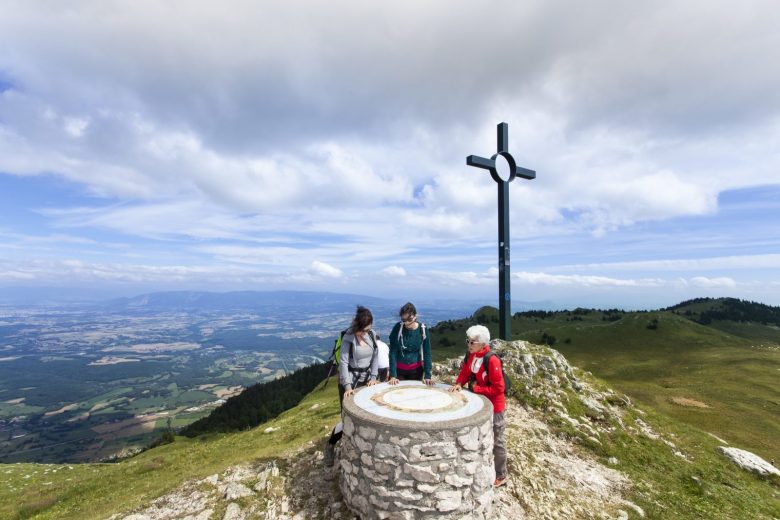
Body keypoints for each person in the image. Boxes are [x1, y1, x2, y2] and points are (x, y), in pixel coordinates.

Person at [448, 324, 508, 487]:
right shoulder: (471, 356)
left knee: (497, 440)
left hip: (495, 406)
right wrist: (459, 383)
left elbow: (499, 388)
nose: (468, 344)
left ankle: (501, 474)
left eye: (472, 342)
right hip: (481, 402)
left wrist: (476, 388)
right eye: (468, 340)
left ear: (482, 343)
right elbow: (466, 372)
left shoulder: (492, 359)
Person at [324, 305, 379, 466]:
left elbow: (375, 357)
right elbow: (344, 362)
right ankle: (330, 445)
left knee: (366, 415)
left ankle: (361, 448)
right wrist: (348, 387)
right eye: (363, 330)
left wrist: (374, 377)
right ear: (357, 326)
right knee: (347, 417)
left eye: (368, 329)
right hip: (350, 380)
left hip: (367, 380)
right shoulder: (348, 337)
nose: (366, 332)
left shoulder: (372, 335)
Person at [388, 302, 434, 386]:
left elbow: (427, 353)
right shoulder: (397, 328)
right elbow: (393, 352)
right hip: (399, 372)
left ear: (415, 316)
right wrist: (393, 375)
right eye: (404, 320)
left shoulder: (422, 329)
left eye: (410, 319)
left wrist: (428, 375)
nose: (407, 323)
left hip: (416, 371)